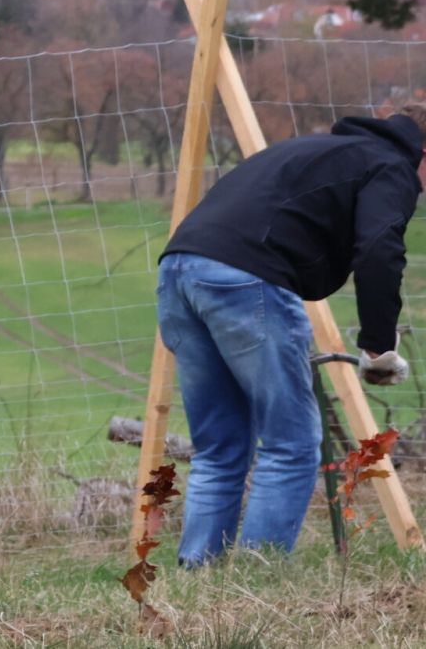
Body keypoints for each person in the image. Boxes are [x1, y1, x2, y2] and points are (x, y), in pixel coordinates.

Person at [157, 105, 425, 566]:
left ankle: (198, 573)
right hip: (247, 277)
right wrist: (379, 345)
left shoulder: (324, 148)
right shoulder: (391, 166)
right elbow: (380, 249)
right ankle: (257, 579)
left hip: (178, 271)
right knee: (292, 442)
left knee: (219, 446)